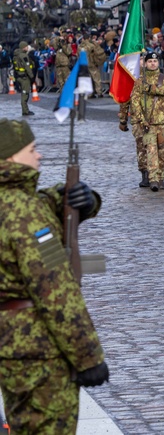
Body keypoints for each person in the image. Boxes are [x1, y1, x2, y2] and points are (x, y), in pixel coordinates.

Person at [0, 119, 109, 432]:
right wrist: (89, 357)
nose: (39, 157)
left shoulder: (19, 205)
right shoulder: (28, 215)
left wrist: (86, 201)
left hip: (11, 349)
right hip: (39, 354)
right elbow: (55, 290)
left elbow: (45, 203)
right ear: (10, 158)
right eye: (32, 150)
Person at [128, 52, 164, 191]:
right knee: (151, 150)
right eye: (150, 61)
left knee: (162, 151)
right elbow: (135, 102)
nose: (153, 64)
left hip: (163, 122)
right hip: (148, 122)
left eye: (155, 61)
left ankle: (161, 178)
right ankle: (153, 179)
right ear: (146, 63)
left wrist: (151, 89)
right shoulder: (140, 82)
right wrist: (141, 119)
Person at [12, 41, 35, 116]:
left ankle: (25, 110)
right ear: (23, 47)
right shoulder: (23, 56)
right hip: (24, 77)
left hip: (19, 76)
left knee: (24, 93)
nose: (27, 47)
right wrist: (32, 76)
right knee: (25, 94)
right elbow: (27, 67)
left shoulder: (16, 55)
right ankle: (25, 111)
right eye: (26, 46)